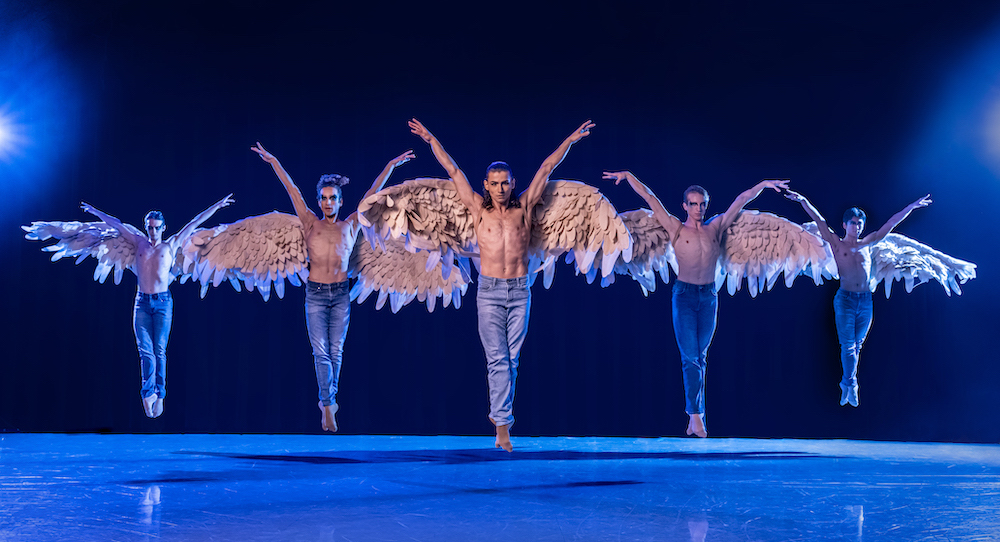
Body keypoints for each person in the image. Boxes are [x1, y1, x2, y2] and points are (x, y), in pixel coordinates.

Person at [409, 118, 595, 452]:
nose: (499, 188)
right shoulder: (479, 212)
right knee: (497, 359)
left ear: (512, 184)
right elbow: (452, 170)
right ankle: (503, 427)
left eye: (504, 183)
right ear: (486, 184)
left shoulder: (523, 209)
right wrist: (430, 138)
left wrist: (570, 139)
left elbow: (547, 167)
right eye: (494, 183)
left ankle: (501, 415)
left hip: (520, 290)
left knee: (511, 360)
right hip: (490, 292)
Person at [602, 171, 789, 437]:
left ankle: (694, 418)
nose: (698, 208)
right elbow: (650, 197)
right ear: (685, 206)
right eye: (693, 204)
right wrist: (629, 176)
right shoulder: (676, 228)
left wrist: (764, 184)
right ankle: (697, 416)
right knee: (690, 358)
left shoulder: (716, 227)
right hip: (684, 297)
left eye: (702, 204)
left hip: (710, 296)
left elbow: (742, 199)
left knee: (700, 358)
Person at [251, 142, 414, 432]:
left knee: (335, 352)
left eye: (333, 198)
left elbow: (371, 195)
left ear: (340, 201)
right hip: (314, 294)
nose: (328, 203)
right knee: (320, 352)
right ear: (320, 201)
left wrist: (390, 165)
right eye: (324, 198)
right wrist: (274, 161)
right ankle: (328, 404)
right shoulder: (309, 223)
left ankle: (330, 401)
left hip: (340, 295)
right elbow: (292, 191)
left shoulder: (351, 225)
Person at [80, 195, 235, 418]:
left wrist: (218, 206)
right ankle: (147, 393)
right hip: (141, 302)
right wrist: (95, 211)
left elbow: (195, 222)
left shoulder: (171, 244)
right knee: (145, 351)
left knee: (159, 351)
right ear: (146, 227)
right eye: (150, 227)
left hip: (163, 303)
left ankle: (160, 394)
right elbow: (115, 223)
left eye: (156, 228)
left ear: (163, 227)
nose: (153, 232)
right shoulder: (138, 241)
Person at [784, 189, 931, 407]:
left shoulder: (868, 243)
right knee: (848, 346)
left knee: (857, 345)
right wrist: (803, 200)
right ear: (845, 225)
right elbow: (819, 220)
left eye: (860, 222)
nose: (858, 225)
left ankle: (847, 384)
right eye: (853, 222)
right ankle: (851, 385)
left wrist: (911, 207)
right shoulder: (836, 243)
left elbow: (890, 224)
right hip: (845, 299)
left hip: (865, 300)